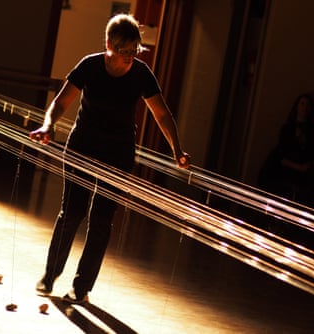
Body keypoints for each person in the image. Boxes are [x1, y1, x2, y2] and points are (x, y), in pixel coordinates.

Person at [29, 14, 190, 304]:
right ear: (109, 45)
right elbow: (61, 101)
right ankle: (50, 275)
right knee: (71, 213)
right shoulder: (90, 65)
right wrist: (49, 125)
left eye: (133, 51)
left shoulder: (141, 73)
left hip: (118, 153)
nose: (129, 57)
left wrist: (176, 149)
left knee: (101, 220)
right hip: (82, 148)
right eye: (124, 51)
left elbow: (162, 113)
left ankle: (81, 287)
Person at [258, 93, 314, 208]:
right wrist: (298, 167)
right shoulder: (287, 128)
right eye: (302, 104)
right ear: (296, 106)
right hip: (286, 167)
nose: (305, 107)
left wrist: (308, 166)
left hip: (305, 169)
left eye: (308, 105)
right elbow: (280, 155)